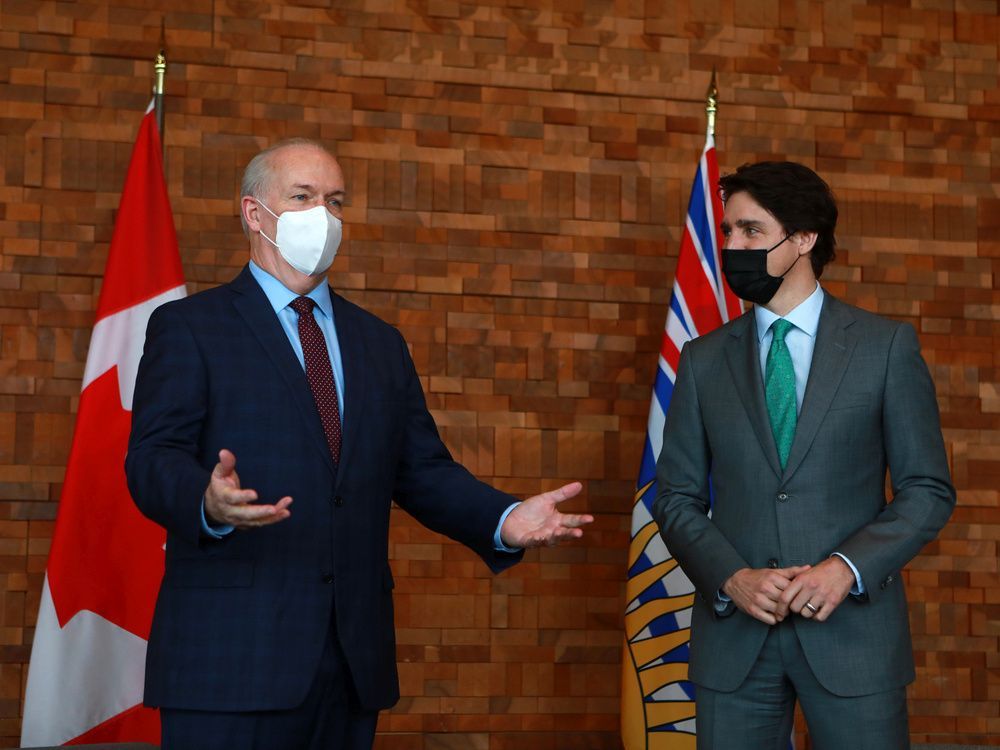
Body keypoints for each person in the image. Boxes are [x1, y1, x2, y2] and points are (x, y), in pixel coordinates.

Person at [125, 138, 593, 750]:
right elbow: (151, 459)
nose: (324, 214)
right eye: (303, 196)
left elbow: (421, 471)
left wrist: (504, 518)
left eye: (335, 200)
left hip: (350, 665)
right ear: (253, 213)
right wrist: (206, 503)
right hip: (230, 660)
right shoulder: (190, 327)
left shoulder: (379, 343)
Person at [652, 161, 955, 749]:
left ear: (804, 240)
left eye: (751, 231)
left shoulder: (885, 348)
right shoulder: (702, 359)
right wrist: (731, 578)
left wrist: (846, 567)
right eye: (729, 232)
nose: (732, 246)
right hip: (734, 641)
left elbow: (927, 491)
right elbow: (677, 497)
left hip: (855, 641)